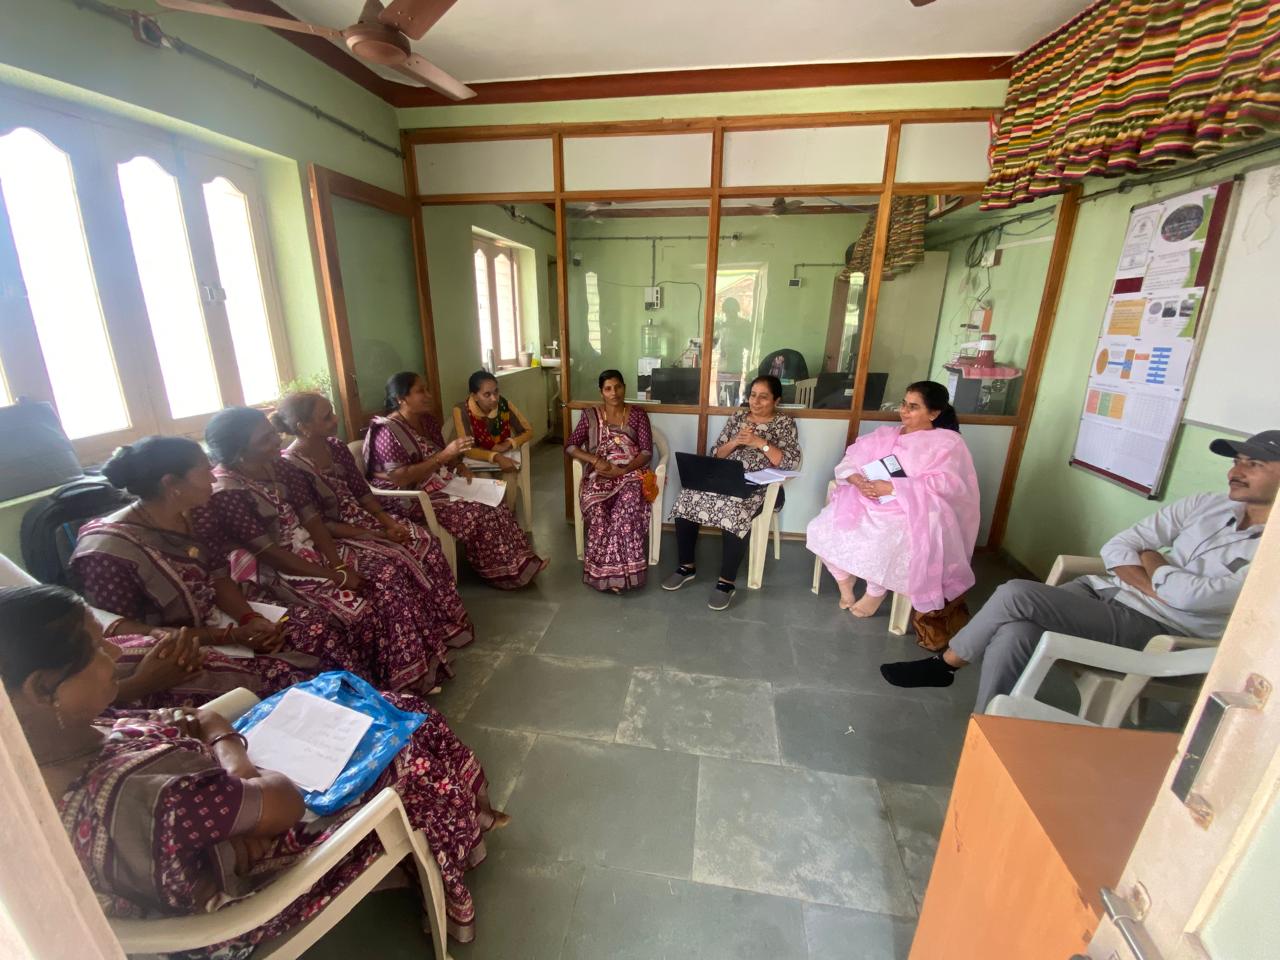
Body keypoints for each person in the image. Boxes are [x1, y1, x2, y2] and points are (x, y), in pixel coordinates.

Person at [0, 584, 506, 948]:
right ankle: (447, 858)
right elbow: (279, 799)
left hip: (231, 810)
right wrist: (230, 750)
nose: (114, 653)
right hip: (246, 896)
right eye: (96, 648)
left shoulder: (47, 746)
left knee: (379, 707)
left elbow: (196, 717)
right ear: (43, 687)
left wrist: (220, 747)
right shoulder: (146, 795)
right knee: (412, 745)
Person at [881, 430, 1280, 711]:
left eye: (1255, 464)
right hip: (1106, 593)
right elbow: (1118, 546)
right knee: (1016, 629)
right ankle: (990, 724)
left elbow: (1193, 599)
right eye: (1237, 461)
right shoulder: (1207, 505)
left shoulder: (1273, 550)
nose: (1236, 471)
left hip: (1159, 630)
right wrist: (1157, 575)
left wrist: (1151, 561)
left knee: (1017, 593)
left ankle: (946, 665)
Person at [195, 407, 454, 694]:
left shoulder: (279, 466)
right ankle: (377, 686)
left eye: (272, 434)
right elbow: (270, 553)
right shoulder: (226, 491)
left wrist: (338, 565)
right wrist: (335, 576)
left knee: (389, 573)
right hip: (273, 573)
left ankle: (410, 671)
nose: (276, 441)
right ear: (239, 454)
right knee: (362, 603)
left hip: (312, 552)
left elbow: (311, 518)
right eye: (265, 440)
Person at [70, 436, 319, 709]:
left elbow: (218, 576)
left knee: (310, 632)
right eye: (204, 471)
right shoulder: (107, 551)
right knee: (291, 676)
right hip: (169, 657)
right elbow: (126, 637)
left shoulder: (197, 514)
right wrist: (232, 636)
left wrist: (250, 619)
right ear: (171, 483)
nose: (213, 479)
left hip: (217, 624)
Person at [274, 392, 475, 651]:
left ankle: (441, 625)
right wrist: (376, 536)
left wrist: (386, 522)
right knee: (396, 563)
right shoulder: (291, 466)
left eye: (333, 411)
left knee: (424, 542)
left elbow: (361, 491)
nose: (335, 419)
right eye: (326, 417)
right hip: (337, 533)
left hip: (365, 517)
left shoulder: (335, 446)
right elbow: (319, 522)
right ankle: (414, 643)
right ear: (304, 427)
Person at [806, 380, 980, 618]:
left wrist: (892, 487)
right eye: (903, 404)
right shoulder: (885, 435)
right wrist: (858, 481)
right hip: (864, 501)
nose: (904, 411)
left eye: (914, 407)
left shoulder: (948, 443)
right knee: (818, 530)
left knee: (881, 542)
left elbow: (948, 485)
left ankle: (875, 592)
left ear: (934, 413)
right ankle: (844, 583)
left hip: (910, 510)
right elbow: (850, 461)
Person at [365, 372, 547, 589]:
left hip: (437, 483)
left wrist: (458, 465)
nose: (429, 395)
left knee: (497, 500)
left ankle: (521, 563)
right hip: (410, 498)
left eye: (427, 389)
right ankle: (502, 572)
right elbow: (400, 478)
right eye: (420, 391)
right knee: (479, 512)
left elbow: (442, 453)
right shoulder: (387, 431)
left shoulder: (427, 421)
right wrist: (445, 457)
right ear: (400, 399)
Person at [663, 375, 801, 610]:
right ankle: (687, 566)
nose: (755, 402)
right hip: (727, 479)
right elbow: (717, 453)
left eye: (763, 397)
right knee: (687, 497)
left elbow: (790, 462)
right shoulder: (738, 416)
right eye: (753, 395)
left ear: (776, 400)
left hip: (762, 487)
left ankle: (726, 582)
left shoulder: (784, 423)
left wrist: (760, 442)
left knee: (734, 509)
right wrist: (736, 441)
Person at [564, 369, 655, 593]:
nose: (614, 393)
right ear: (601, 392)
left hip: (630, 473)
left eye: (618, 387)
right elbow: (571, 446)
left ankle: (615, 575)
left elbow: (645, 452)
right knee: (598, 512)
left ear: (624, 388)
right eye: (608, 388)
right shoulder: (590, 416)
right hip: (600, 473)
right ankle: (607, 572)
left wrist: (622, 469)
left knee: (624, 512)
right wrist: (595, 460)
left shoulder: (637, 415)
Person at [452, 370, 533, 511]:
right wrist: (496, 456)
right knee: (485, 480)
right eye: (487, 394)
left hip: (505, 456)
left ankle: (508, 519)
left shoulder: (503, 405)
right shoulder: (461, 410)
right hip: (478, 462)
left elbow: (528, 431)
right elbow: (468, 449)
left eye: (496, 392)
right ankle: (493, 522)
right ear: (474, 396)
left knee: (509, 478)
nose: (494, 398)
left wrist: (508, 443)